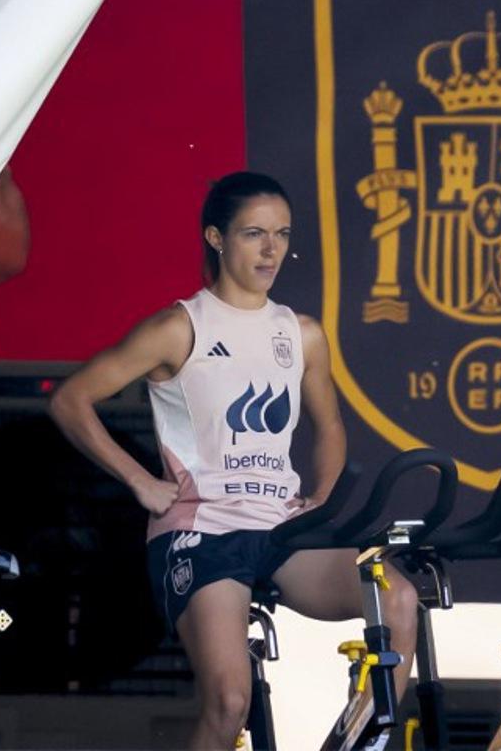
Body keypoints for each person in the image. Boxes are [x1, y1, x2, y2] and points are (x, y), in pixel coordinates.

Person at [50, 171, 417, 750]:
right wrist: (140, 480)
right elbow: (70, 400)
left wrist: (321, 501)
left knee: (398, 598)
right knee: (228, 704)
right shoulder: (178, 327)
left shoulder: (301, 333)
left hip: (280, 531)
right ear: (217, 238)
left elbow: (330, 426)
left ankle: (364, 740)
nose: (272, 250)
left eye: (282, 234)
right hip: (203, 533)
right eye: (254, 234)